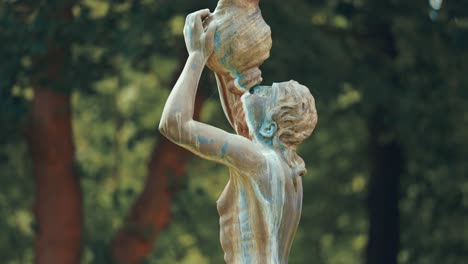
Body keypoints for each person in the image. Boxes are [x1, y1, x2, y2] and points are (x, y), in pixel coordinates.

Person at [159, 9, 317, 263]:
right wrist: (223, 66)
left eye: (265, 93)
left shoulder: (260, 162)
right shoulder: (286, 170)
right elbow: (242, 122)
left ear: (268, 128)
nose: (257, 90)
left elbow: (174, 124)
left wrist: (197, 56)